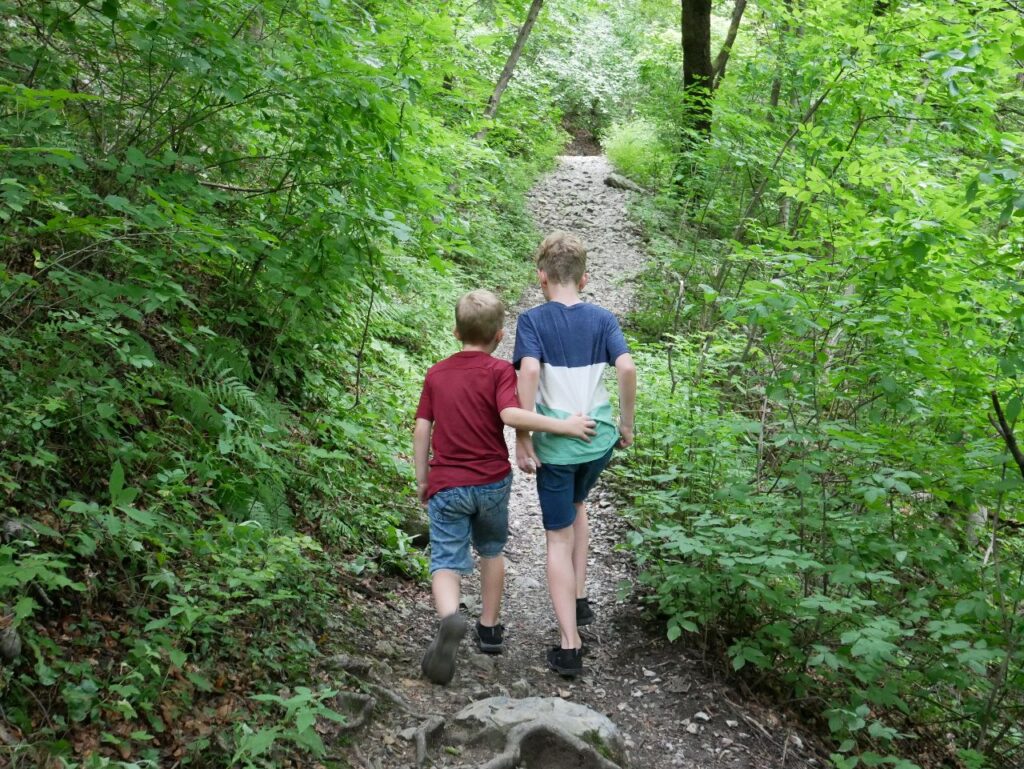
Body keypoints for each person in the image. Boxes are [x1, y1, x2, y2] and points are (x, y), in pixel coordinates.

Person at [414, 289, 597, 685]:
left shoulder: (436, 374)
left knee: (446, 559)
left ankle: (450, 619)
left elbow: (422, 428)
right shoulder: (499, 372)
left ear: (454, 331)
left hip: (447, 484)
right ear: (500, 336)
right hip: (492, 483)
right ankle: (489, 628)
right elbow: (511, 414)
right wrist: (563, 425)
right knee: (492, 550)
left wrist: (423, 479)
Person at [513, 231, 637, 677]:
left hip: (560, 445)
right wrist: (625, 424)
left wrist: (523, 435)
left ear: (541, 277)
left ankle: (569, 645)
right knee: (578, 504)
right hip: (598, 441)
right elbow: (626, 366)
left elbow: (528, 370)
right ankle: (580, 597)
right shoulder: (603, 319)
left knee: (557, 538)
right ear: (584, 279)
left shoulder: (532, 321)